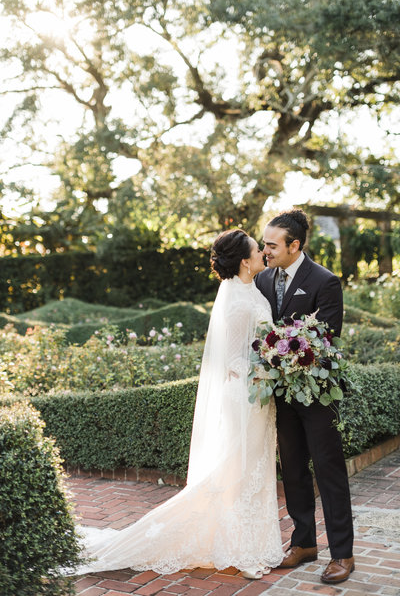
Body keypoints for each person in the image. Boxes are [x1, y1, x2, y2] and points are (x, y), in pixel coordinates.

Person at [75, 229, 283, 579]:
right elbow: (232, 361)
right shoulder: (234, 301)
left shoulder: (253, 289)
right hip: (244, 399)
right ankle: (240, 551)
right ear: (245, 261)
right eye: (256, 250)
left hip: (260, 398)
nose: (263, 252)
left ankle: (251, 543)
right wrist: (273, 367)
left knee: (255, 471)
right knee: (235, 474)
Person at [255, 209, 354, 584]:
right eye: (264, 245)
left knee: (329, 472)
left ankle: (342, 553)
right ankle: (304, 542)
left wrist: (284, 351)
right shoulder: (263, 279)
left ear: (295, 245)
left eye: (271, 245)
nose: (265, 251)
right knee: (293, 468)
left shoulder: (325, 281)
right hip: (280, 394)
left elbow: (325, 339)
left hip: (317, 396)